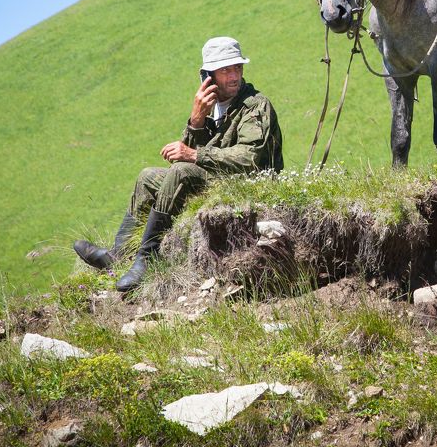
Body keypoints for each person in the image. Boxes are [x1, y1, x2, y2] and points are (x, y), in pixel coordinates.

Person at [72, 36, 283, 292]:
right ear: (208, 75)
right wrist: (196, 121)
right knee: (148, 175)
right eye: (225, 69)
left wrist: (194, 155)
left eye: (237, 67)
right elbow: (185, 154)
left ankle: (147, 260)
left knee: (182, 171)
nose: (234, 75)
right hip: (220, 178)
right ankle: (118, 254)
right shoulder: (211, 106)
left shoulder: (254, 105)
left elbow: (249, 158)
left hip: (250, 183)